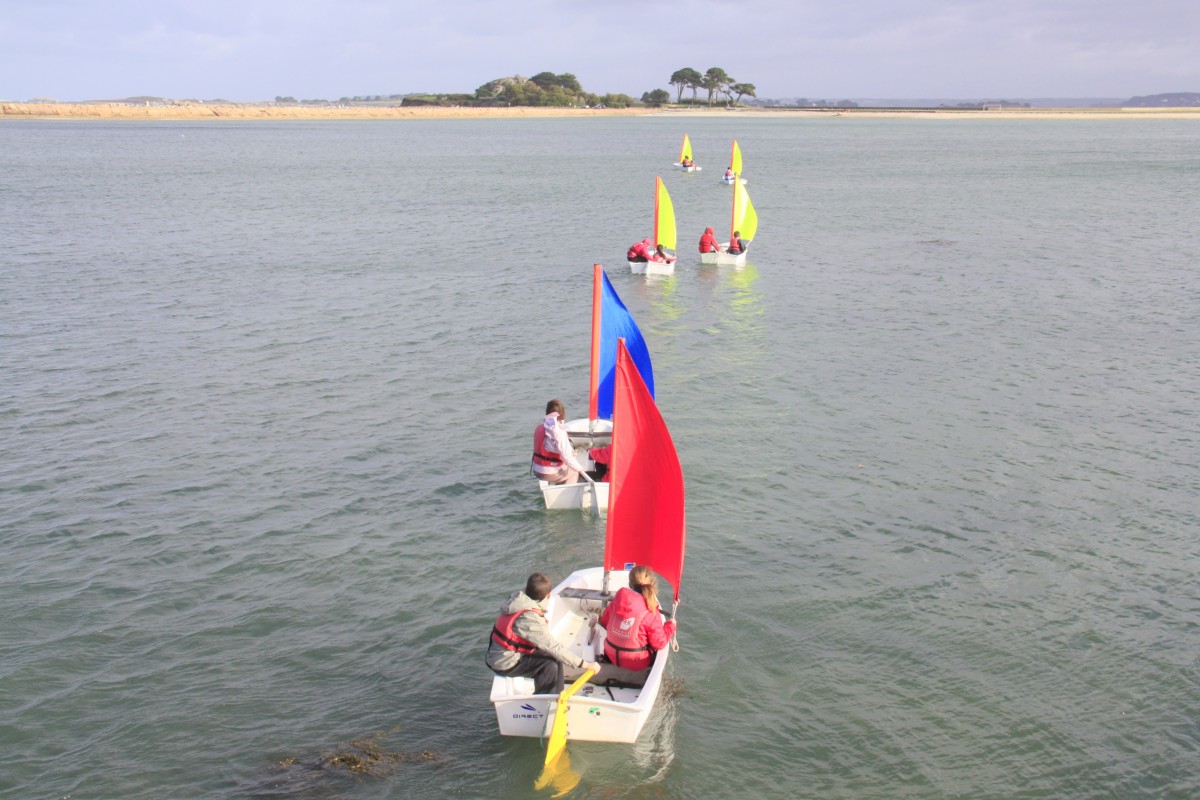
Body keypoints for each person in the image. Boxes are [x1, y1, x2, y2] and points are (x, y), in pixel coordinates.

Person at [487, 572, 601, 695]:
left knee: (555, 659)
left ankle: (557, 695)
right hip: (504, 662)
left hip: (507, 653)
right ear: (548, 595)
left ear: (527, 589)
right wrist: (585, 664)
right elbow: (554, 648)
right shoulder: (529, 618)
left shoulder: (517, 602)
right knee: (548, 666)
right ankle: (543, 702)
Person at [598, 565, 677, 673]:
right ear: (652, 584)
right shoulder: (651, 611)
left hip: (611, 656)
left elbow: (604, 622)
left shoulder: (617, 601)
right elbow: (659, 643)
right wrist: (671, 626)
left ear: (630, 584)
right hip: (637, 664)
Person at [532, 399, 586, 485]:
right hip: (548, 473)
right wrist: (580, 469)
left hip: (536, 470)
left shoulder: (539, 428)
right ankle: (568, 493)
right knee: (574, 471)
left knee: (565, 465)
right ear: (562, 414)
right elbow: (567, 457)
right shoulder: (560, 433)